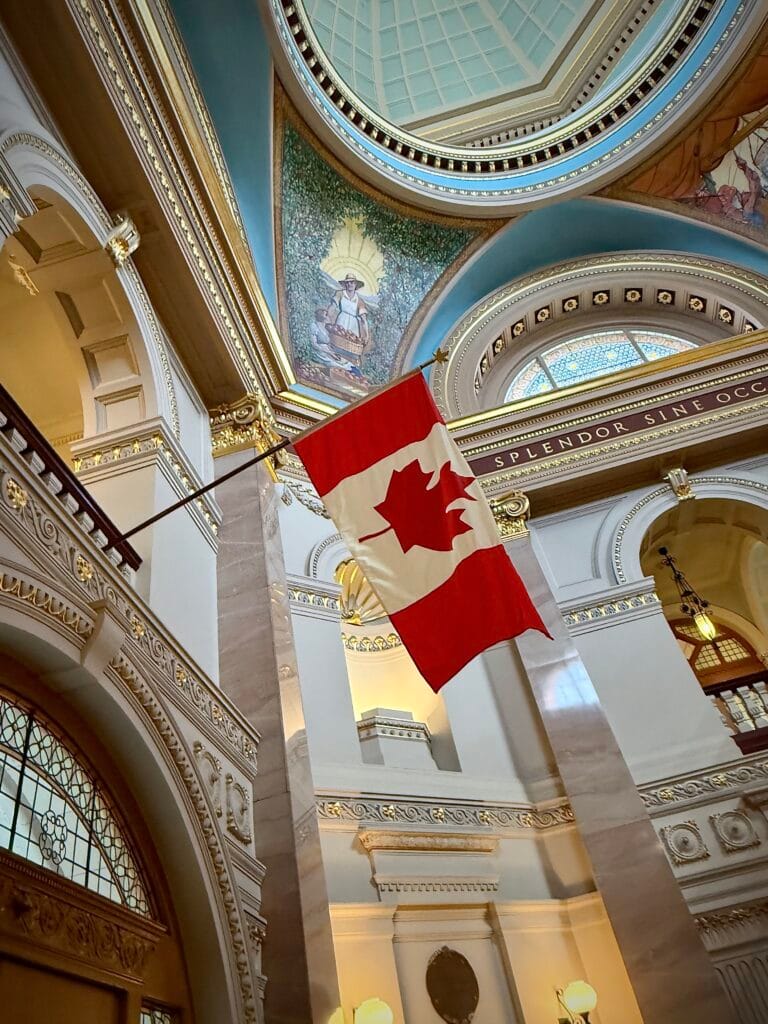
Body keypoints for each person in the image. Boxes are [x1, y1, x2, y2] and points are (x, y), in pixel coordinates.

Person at [327, 272, 370, 364]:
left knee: (351, 348)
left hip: (353, 326)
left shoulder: (360, 301)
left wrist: (366, 335)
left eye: (352, 282)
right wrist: (328, 318)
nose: (350, 284)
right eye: (348, 282)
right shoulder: (340, 294)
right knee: (337, 342)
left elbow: (363, 320)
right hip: (341, 321)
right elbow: (332, 307)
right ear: (345, 284)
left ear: (355, 285)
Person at [310, 308, 364, 379]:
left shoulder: (325, 328)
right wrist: (330, 353)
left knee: (350, 365)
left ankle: (358, 377)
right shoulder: (314, 326)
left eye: (326, 312)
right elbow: (314, 344)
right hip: (320, 353)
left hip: (328, 352)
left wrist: (333, 353)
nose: (326, 313)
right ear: (318, 314)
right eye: (323, 312)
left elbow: (328, 344)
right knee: (339, 366)